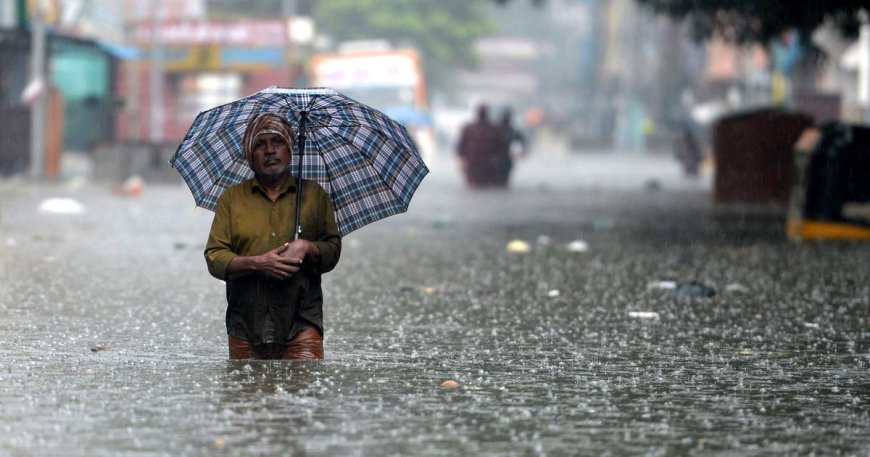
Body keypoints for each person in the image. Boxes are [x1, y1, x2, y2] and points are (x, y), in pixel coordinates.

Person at [204, 112, 342, 360]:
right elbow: (215, 257)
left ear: (290, 150)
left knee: (305, 393)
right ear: (249, 156)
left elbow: (332, 251)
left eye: (277, 142)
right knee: (246, 395)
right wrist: (258, 263)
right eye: (260, 144)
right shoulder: (232, 199)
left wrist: (307, 247)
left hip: (302, 321)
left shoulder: (314, 196)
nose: (270, 150)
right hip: (245, 323)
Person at [456, 104, 505, 188]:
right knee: (473, 185)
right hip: (472, 163)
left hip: (488, 165)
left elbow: (500, 147)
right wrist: (462, 159)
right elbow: (461, 145)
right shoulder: (469, 128)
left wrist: (496, 159)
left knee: (486, 185)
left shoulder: (494, 129)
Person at [495, 107, 529, 187]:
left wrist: (523, 152)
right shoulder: (495, 130)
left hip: (504, 160)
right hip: (497, 160)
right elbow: (523, 141)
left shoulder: (511, 131)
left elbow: (523, 141)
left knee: (502, 183)